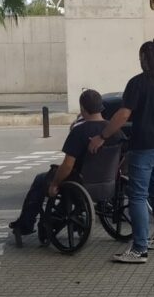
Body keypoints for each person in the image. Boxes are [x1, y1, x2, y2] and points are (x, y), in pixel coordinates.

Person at [88, 40, 154, 263]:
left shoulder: (138, 83)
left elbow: (123, 114)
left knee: (137, 196)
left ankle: (139, 248)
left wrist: (102, 136)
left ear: (144, 60)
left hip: (144, 146)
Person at [8, 89, 109, 244]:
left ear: (82, 109)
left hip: (80, 182)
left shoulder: (79, 131)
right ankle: (53, 221)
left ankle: (26, 224)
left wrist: (54, 183)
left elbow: (68, 165)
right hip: (107, 183)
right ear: (101, 106)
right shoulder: (112, 130)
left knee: (41, 180)